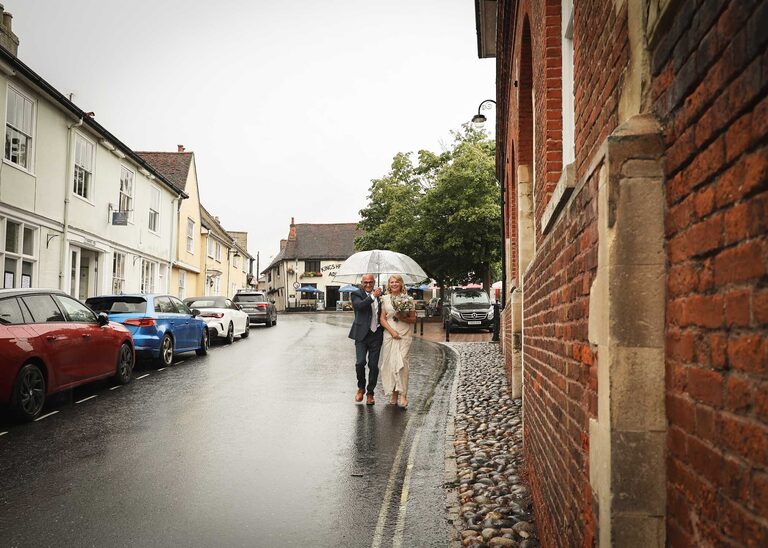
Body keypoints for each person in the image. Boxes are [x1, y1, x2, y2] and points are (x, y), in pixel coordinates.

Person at [379, 274, 416, 409]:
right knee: (390, 364)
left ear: (401, 284)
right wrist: (392, 331)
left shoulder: (408, 299)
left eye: (397, 282)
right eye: (392, 282)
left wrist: (402, 317)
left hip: (404, 334)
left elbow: (413, 319)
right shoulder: (385, 299)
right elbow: (382, 319)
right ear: (389, 285)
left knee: (402, 363)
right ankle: (393, 393)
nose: (394, 284)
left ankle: (403, 394)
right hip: (390, 334)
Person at [348, 273, 383, 405]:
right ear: (362, 283)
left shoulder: (381, 295)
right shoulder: (356, 294)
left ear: (374, 282)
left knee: (373, 365)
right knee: (360, 362)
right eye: (365, 282)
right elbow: (359, 306)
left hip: (376, 334)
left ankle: (370, 393)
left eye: (371, 282)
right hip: (361, 334)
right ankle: (361, 388)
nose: (368, 284)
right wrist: (374, 296)